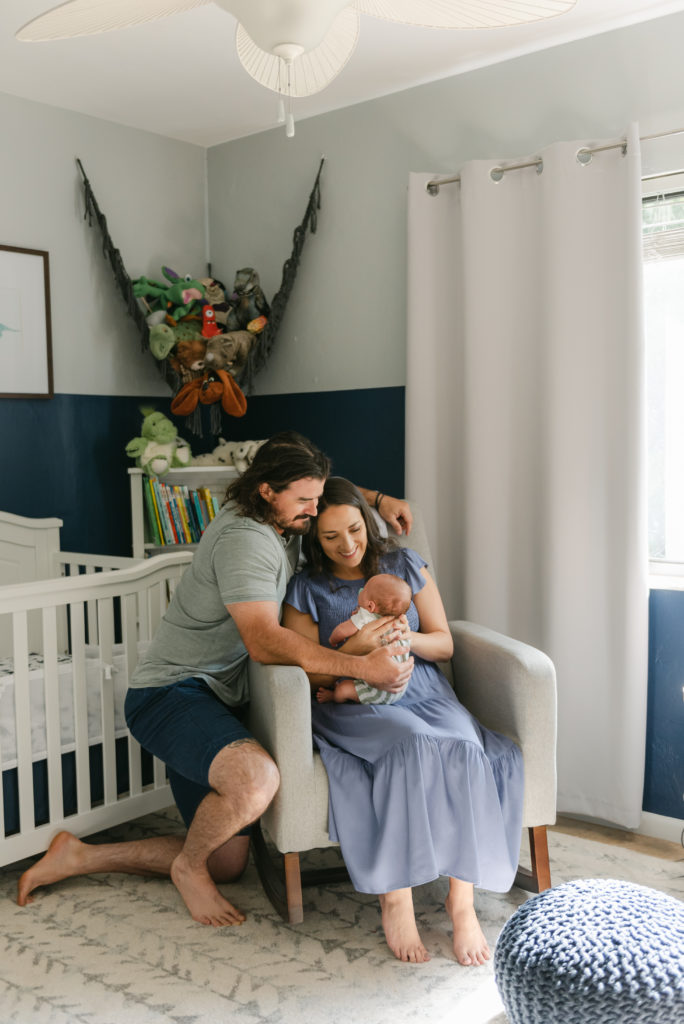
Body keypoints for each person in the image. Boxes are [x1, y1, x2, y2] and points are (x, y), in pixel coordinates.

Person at [16, 432, 413, 927]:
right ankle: (186, 868)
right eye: (305, 501)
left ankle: (80, 856)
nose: (314, 511)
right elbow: (264, 641)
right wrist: (361, 668)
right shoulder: (247, 540)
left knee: (226, 864)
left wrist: (377, 499)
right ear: (268, 490)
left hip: (216, 700)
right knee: (257, 780)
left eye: (316, 499)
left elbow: (321, 488)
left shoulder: (274, 509)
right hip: (172, 695)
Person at [282, 477, 524, 966]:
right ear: (315, 540)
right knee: (412, 742)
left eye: (354, 529)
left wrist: (399, 638)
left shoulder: (403, 564)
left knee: (464, 744)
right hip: (353, 701)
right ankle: (397, 896)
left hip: (425, 689)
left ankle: (462, 901)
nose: (347, 545)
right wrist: (362, 649)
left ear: (367, 524)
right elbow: (305, 668)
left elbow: (444, 643)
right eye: (331, 537)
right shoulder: (306, 588)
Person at [320, 573, 412, 705]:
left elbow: (341, 631)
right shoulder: (399, 624)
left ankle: (333, 696)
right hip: (399, 686)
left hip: (377, 690)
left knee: (342, 689)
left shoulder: (365, 615)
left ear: (370, 606)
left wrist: (333, 640)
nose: (360, 591)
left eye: (363, 590)